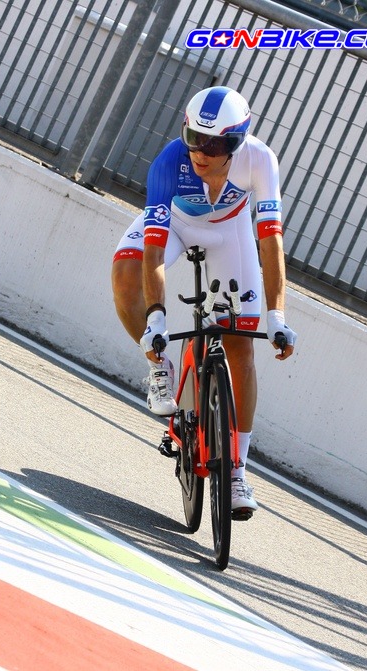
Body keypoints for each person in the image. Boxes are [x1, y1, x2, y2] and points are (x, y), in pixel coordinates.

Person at [111, 86, 297, 517]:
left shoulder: (260, 160)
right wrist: (156, 321)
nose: (200, 152)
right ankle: (160, 366)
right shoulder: (169, 162)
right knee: (124, 273)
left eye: (214, 145)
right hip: (176, 226)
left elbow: (270, 241)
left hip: (229, 234)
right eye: (194, 138)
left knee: (241, 347)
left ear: (237, 142)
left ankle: (236, 471)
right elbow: (154, 250)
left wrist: (277, 316)